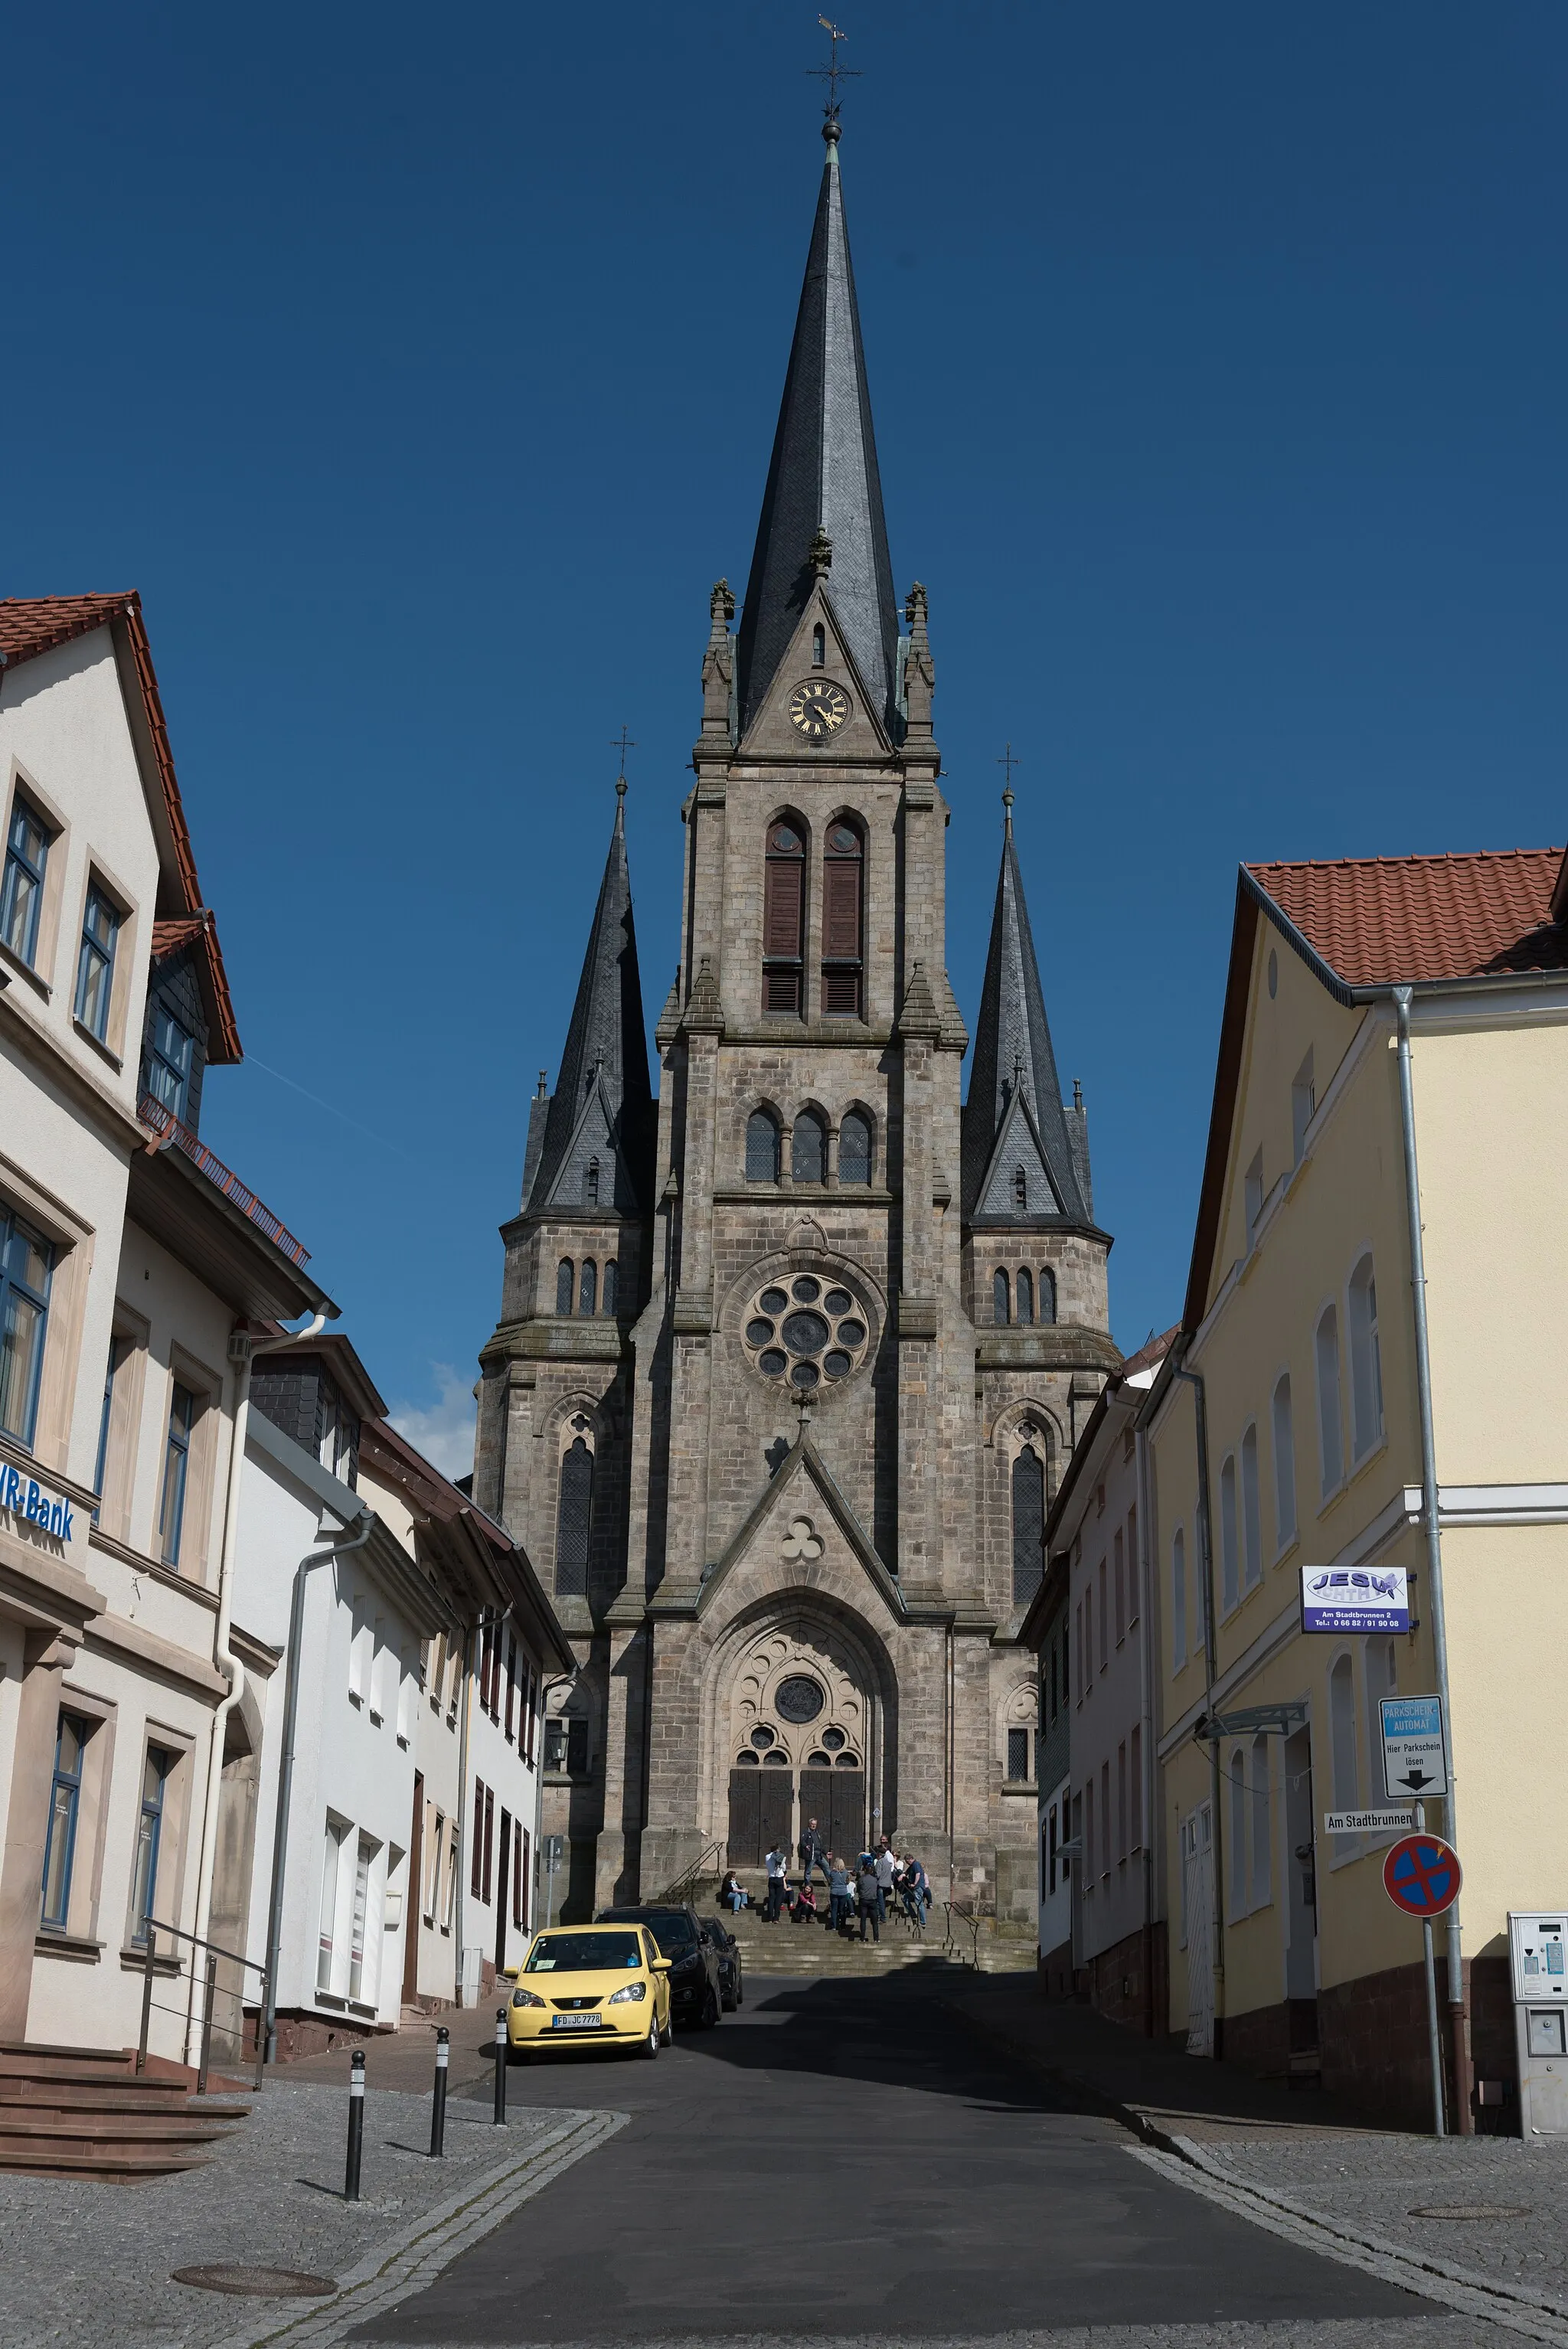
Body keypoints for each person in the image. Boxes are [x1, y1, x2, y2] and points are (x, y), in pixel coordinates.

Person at [798, 1816, 829, 1891]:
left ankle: (831, 1882)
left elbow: (820, 1844)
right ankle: (807, 1885)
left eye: (815, 1824)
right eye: (812, 1824)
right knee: (808, 1870)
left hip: (819, 1855)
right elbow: (802, 1841)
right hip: (811, 1855)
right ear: (809, 1824)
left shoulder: (817, 1833)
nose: (814, 1825)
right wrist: (806, 1846)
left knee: (826, 1866)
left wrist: (826, 1853)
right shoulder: (806, 1832)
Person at [856, 1854, 882, 1942]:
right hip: (872, 1900)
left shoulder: (861, 1879)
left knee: (863, 1920)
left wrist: (861, 1893)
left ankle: (862, 1937)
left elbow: (858, 1889)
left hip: (864, 1900)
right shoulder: (875, 1880)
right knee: (875, 1921)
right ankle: (876, 1938)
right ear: (871, 1871)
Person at [900, 1855, 926, 1930]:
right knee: (904, 1898)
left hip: (918, 1888)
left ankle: (923, 1922)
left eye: (907, 1862)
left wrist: (914, 1884)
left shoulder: (916, 1864)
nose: (907, 1863)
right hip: (913, 1889)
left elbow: (918, 1874)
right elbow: (906, 1873)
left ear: (910, 1859)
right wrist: (901, 1876)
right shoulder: (911, 1866)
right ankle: (913, 1915)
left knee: (919, 1904)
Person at [827, 1854, 852, 1934]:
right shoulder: (846, 1872)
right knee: (842, 1910)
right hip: (843, 1892)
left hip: (834, 1892)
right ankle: (843, 1926)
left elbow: (830, 1881)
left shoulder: (832, 1872)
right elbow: (848, 1881)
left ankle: (833, 1926)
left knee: (834, 1910)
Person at [764, 1842, 789, 1923]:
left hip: (771, 1878)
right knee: (778, 1899)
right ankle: (776, 1918)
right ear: (777, 1849)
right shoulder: (780, 1856)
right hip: (779, 1878)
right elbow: (784, 1868)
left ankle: (770, 1918)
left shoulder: (767, 1857)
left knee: (771, 1898)